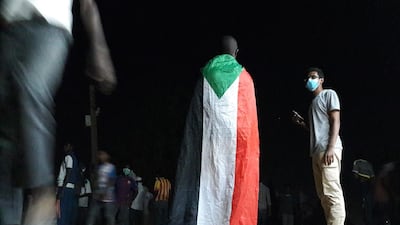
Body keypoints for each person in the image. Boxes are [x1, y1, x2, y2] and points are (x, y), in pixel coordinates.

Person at [0, 0, 116, 224]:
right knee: (5, 143)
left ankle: (42, 192)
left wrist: (99, 49)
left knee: (30, 86)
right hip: (8, 32)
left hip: (49, 29)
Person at [168, 35, 260, 225]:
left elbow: (194, 123)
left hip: (207, 150)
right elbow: (249, 131)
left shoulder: (205, 76)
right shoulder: (245, 79)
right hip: (235, 151)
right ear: (236, 53)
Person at [292, 67, 346, 225]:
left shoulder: (329, 94)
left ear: (321, 80)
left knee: (332, 191)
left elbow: (335, 120)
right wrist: (303, 124)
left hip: (328, 149)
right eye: (308, 78)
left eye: (313, 77)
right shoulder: (312, 105)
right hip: (316, 151)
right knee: (323, 194)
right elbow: (317, 129)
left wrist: (330, 147)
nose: (310, 80)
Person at [86, 150, 117, 225]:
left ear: (107, 156)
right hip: (98, 193)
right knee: (92, 214)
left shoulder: (111, 167)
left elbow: (111, 181)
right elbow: (97, 181)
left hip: (108, 195)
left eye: (103, 154)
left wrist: (105, 192)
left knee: (109, 217)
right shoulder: (99, 167)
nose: (100, 156)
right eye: (100, 155)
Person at [56, 142, 81, 225]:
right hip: (70, 188)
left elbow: (69, 173)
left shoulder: (68, 157)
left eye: (66, 146)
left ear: (70, 146)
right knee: (67, 213)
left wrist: (62, 190)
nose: (64, 148)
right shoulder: (74, 158)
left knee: (61, 213)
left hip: (65, 187)